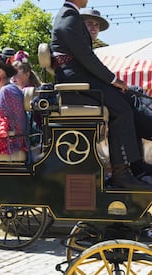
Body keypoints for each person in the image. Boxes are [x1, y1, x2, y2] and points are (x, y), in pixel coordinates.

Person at [50, 0, 152, 190]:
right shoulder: (69, 17)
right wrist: (113, 80)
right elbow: (86, 58)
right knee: (121, 111)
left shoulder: (69, 16)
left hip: (81, 79)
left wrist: (113, 82)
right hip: (77, 82)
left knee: (129, 99)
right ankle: (121, 174)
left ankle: (135, 165)